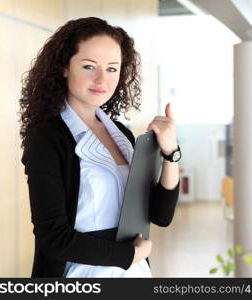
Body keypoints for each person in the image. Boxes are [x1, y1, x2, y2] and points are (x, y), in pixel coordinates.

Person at [18, 17, 181, 278]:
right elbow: (54, 237)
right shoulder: (47, 137)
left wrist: (170, 153)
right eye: (89, 66)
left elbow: (160, 215)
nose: (102, 79)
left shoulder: (123, 135)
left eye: (112, 68)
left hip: (134, 273)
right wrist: (129, 255)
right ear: (64, 67)